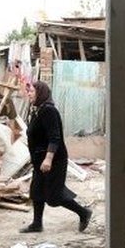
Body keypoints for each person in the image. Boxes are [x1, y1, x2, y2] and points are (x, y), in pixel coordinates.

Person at [20, 81, 92, 233]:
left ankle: (84, 213)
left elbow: (55, 137)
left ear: (40, 93)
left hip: (53, 160)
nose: (29, 94)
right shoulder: (38, 110)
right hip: (40, 159)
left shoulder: (49, 111)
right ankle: (37, 224)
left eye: (32, 91)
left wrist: (48, 159)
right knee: (37, 191)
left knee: (54, 195)